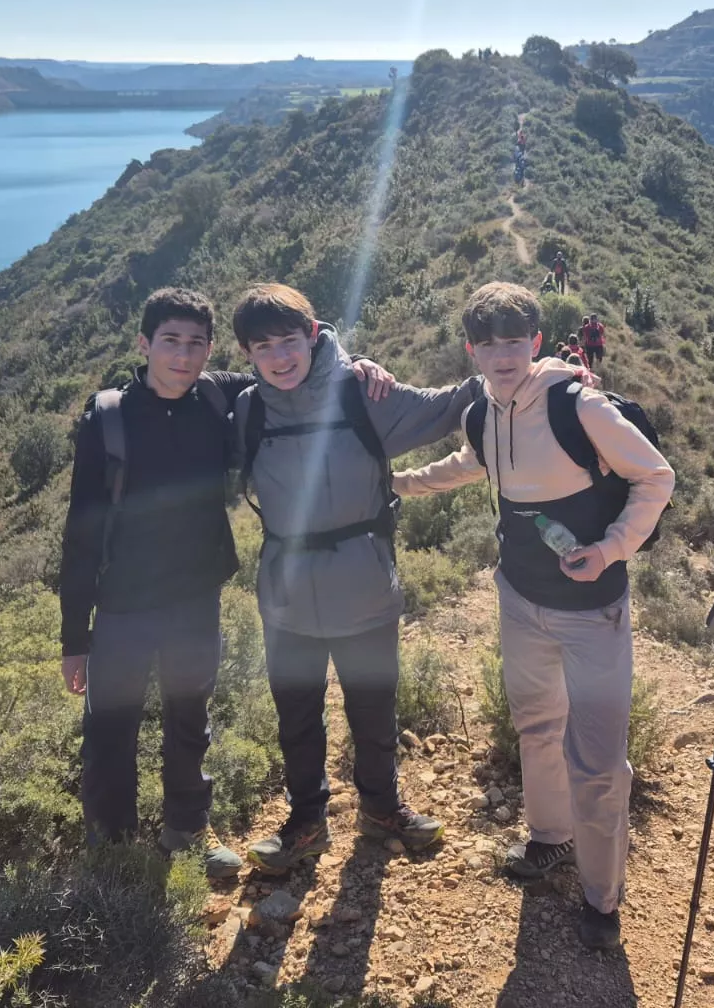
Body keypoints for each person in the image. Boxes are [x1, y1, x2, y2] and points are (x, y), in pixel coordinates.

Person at [58, 287, 395, 877]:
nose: (183, 357)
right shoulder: (107, 417)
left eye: (195, 344)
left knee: (189, 724)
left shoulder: (222, 397)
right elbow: (80, 532)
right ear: (144, 345)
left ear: (211, 350)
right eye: (170, 342)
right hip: (121, 607)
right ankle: (111, 857)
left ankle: (186, 837)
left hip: (194, 600)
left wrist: (356, 365)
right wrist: (73, 636)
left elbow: (294, 368)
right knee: (110, 735)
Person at [393, 281, 674, 951]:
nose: (502, 355)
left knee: (600, 765)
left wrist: (609, 550)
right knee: (537, 729)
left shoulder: (579, 406)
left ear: (536, 341)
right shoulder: (482, 411)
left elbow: (655, 477)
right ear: (471, 350)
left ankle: (602, 902)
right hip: (519, 600)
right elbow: (474, 463)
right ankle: (550, 839)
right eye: (487, 343)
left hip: (591, 611)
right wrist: (399, 484)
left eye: (514, 340)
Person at [230, 283, 485, 874]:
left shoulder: (364, 396)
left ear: (312, 335)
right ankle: (306, 822)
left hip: (364, 588)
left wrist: (536, 369)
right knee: (296, 716)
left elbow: (450, 405)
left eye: (289, 341)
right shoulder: (246, 409)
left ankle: (381, 809)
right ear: (247, 354)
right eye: (263, 347)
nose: (280, 357)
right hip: (287, 595)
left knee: (373, 710)